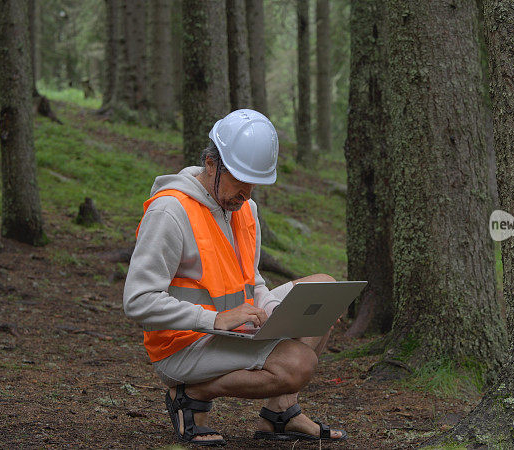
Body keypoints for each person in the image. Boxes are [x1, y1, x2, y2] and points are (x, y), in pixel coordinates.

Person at [123, 109, 347, 445]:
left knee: (322, 293)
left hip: (232, 331)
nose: (246, 193)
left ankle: (281, 414)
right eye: (238, 180)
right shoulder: (170, 211)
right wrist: (215, 319)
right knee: (298, 364)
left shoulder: (245, 209)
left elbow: (251, 279)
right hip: (182, 347)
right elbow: (137, 301)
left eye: (252, 183)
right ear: (211, 164)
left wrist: (272, 309)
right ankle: (191, 394)